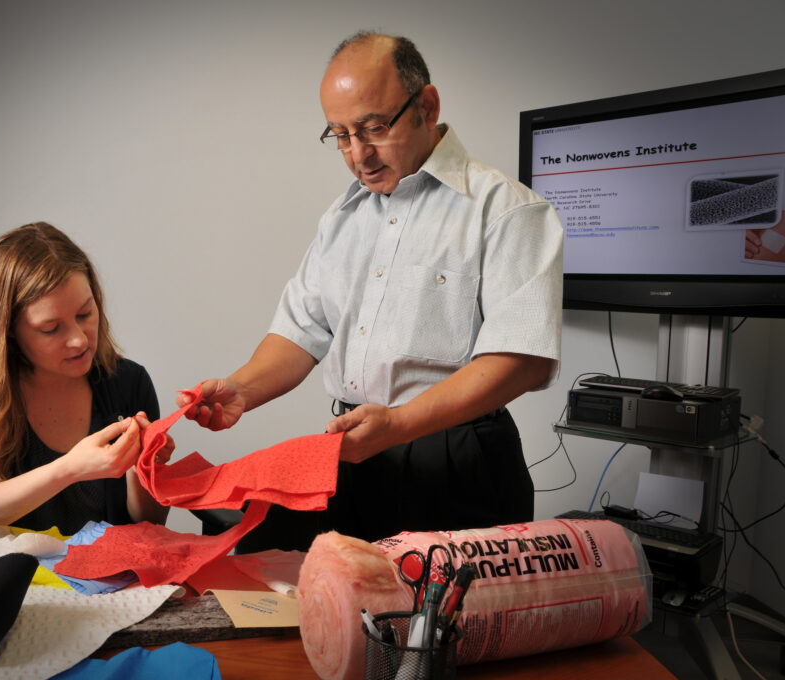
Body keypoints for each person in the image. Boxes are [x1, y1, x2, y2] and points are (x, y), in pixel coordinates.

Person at [178, 32, 563, 551]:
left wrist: (401, 423)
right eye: (339, 135)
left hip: (459, 461)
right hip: (353, 450)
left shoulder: (507, 210)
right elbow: (301, 331)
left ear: (427, 106)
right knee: (345, 616)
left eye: (373, 128)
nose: (359, 154)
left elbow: (523, 360)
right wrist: (242, 390)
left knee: (446, 629)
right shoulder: (342, 219)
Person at [0, 222, 172, 535]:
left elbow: (150, 524)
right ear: (7, 330)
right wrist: (68, 470)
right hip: (5, 578)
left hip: (109, 582)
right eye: (51, 329)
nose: (79, 340)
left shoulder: (128, 381)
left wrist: (144, 468)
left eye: (85, 314)